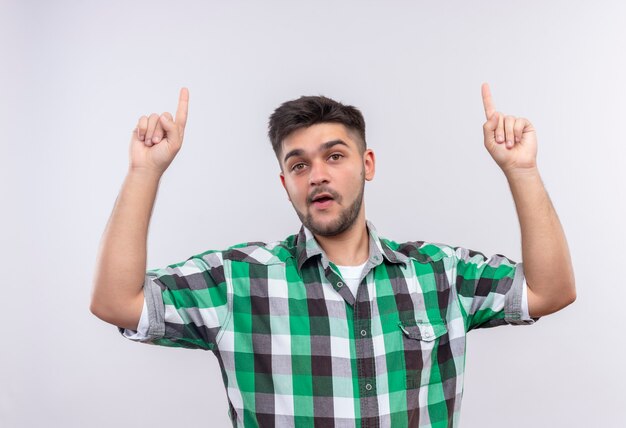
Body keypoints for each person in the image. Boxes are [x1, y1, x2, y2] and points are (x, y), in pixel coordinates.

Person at [90, 84, 576, 427]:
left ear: (367, 165)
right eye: (298, 165)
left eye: (335, 156)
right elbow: (116, 302)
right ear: (286, 185)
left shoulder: (440, 273)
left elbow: (550, 291)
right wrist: (144, 171)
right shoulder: (236, 281)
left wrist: (522, 170)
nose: (317, 175)